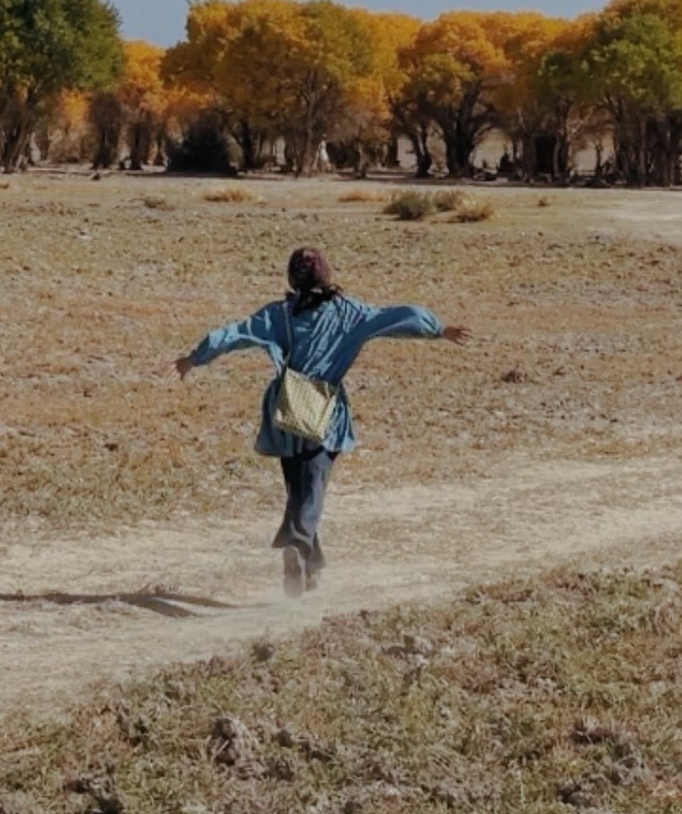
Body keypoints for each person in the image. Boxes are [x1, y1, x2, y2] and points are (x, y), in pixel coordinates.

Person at [175, 243, 467, 597]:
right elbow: (403, 315)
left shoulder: (279, 313)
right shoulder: (350, 313)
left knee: (298, 489)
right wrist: (438, 329)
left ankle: (309, 568)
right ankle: (297, 546)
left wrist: (194, 358)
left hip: (284, 411)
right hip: (323, 411)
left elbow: (233, 334)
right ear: (326, 273)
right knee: (312, 489)